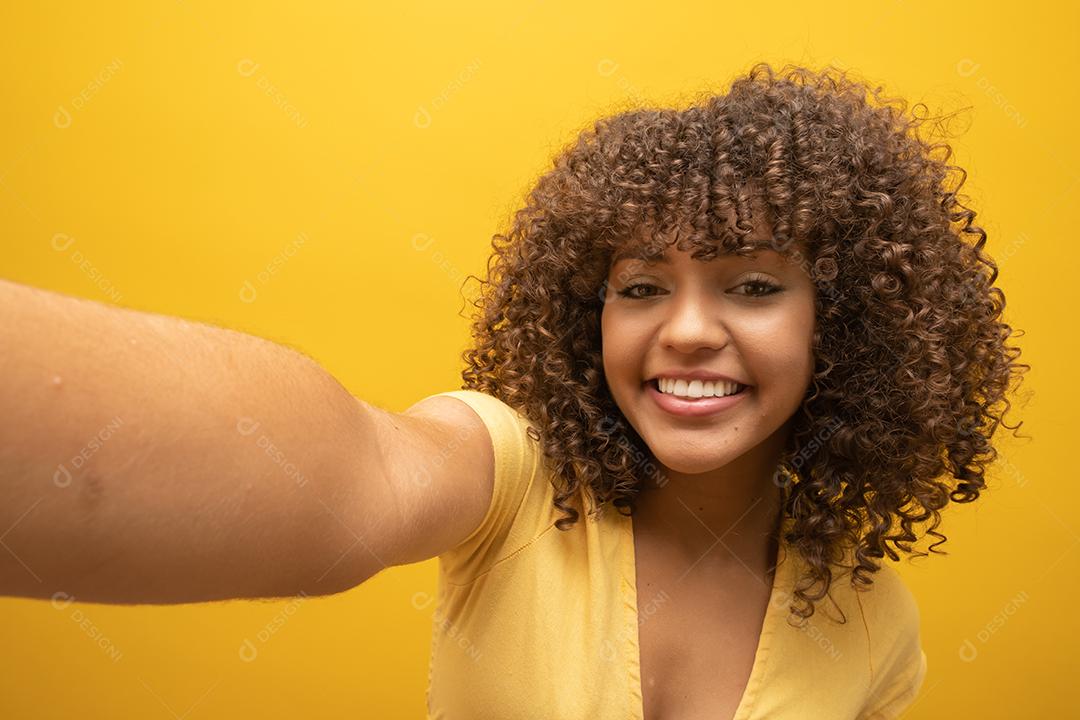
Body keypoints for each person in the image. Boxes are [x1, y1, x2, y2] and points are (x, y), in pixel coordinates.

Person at [0, 62, 1027, 719]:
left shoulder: (874, 628)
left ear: (836, 324)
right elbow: (352, 468)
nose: (685, 329)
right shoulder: (509, 476)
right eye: (640, 287)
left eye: (753, 286)